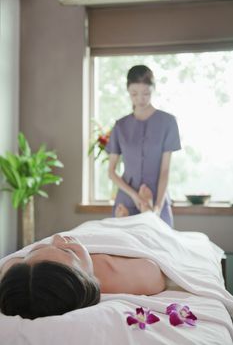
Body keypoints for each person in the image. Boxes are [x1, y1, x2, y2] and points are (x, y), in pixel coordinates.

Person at [0, 208, 165, 319]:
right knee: (147, 224)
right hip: (128, 235)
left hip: (89, 229)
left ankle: (124, 217)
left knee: (95, 225)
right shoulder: (112, 273)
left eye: (35, 250)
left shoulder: (18, 275)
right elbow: (157, 272)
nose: (57, 237)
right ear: (86, 280)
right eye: (68, 252)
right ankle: (147, 210)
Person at [106, 65, 181, 227]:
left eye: (146, 93)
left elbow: (165, 170)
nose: (140, 99)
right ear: (128, 91)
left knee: (161, 248)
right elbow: (111, 172)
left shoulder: (168, 122)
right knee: (122, 250)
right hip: (126, 201)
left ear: (153, 89)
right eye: (134, 94)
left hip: (157, 199)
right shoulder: (120, 126)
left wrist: (158, 207)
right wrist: (135, 196)